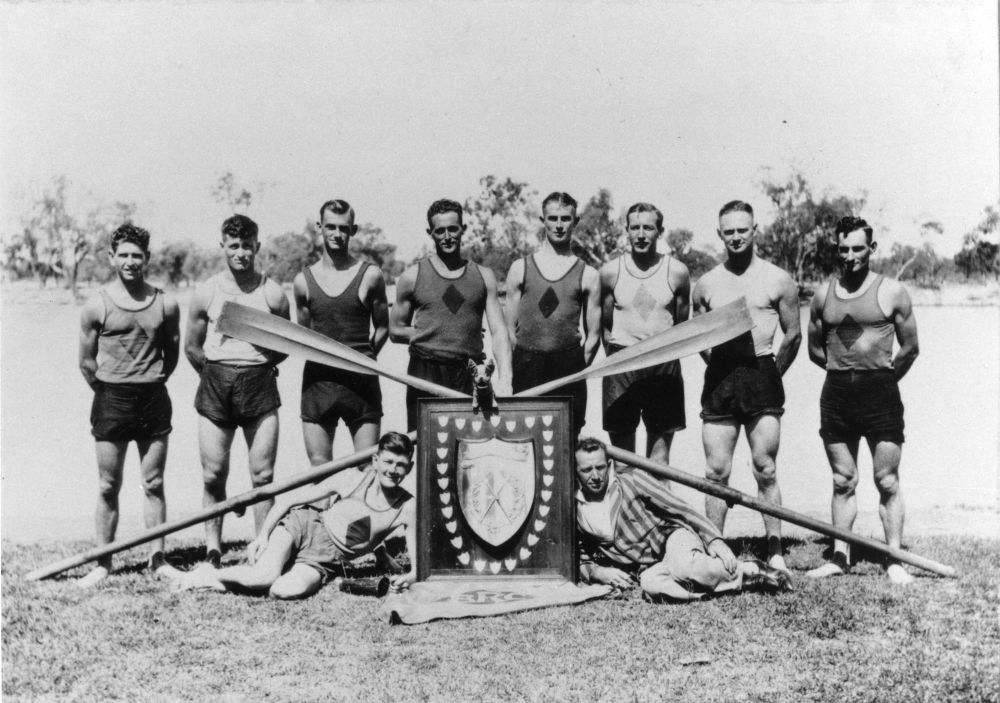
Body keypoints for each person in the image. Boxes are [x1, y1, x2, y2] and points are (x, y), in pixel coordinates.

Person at [805, 217, 919, 584]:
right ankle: (840, 556)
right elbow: (814, 350)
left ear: (872, 249)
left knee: (886, 479)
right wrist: (845, 372)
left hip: (881, 395)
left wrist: (881, 379)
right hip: (836, 394)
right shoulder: (823, 295)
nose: (850, 256)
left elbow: (910, 348)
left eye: (858, 248)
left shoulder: (893, 292)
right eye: (844, 249)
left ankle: (894, 558)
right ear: (836, 250)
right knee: (843, 480)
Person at [172, 432, 417, 598]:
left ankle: (222, 580)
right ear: (375, 461)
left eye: (400, 464)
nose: (393, 470)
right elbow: (291, 500)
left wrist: (409, 577)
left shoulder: (407, 506)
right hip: (304, 525)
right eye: (388, 462)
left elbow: (416, 566)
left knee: (283, 590)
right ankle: (207, 575)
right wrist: (263, 536)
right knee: (263, 577)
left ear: (410, 467)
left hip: (325, 560)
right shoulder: (352, 479)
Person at [691, 200, 801, 572]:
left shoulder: (778, 278)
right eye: (729, 231)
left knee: (765, 467)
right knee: (715, 471)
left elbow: (794, 335)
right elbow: (698, 339)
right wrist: (720, 367)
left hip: (762, 374)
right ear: (720, 234)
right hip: (720, 378)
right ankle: (714, 548)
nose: (736, 237)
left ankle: (775, 549)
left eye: (743, 230)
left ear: (755, 230)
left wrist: (770, 375)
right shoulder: (706, 283)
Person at [77, 224, 180, 587]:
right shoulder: (97, 304)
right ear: (111, 258)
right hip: (111, 399)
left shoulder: (165, 302)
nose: (130, 261)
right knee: (108, 485)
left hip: (152, 398)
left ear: (147, 258)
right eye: (123, 254)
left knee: (153, 482)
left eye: (137, 255)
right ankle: (103, 563)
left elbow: (172, 355)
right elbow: (87, 363)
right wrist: (110, 391)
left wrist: (148, 381)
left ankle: (158, 559)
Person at [185, 214, 291, 566]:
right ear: (223, 247)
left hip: (259, 386)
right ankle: (213, 548)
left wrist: (255, 366)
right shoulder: (207, 291)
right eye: (234, 246)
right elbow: (192, 347)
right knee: (213, 474)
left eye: (248, 246)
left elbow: (286, 344)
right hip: (216, 385)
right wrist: (219, 373)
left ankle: (261, 545)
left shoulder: (272, 293)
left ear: (257, 246)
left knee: (262, 475)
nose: (241, 253)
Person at [574, 437, 791, 601]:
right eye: (586, 470)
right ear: (575, 472)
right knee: (651, 586)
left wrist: (715, 540)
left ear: (609, 465)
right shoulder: (575, 509)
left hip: (673, 538)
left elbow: (682, 509)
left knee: (684, 566)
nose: (595, 475)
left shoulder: (631, 479)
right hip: (648, 568)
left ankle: (751, 572)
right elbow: (580, 557)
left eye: (600, 467)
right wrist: (597, 572)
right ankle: (706, 591)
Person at [390, 199, 512, 431]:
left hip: (470, 372)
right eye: (440, 231)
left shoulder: (483, 276)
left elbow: (499, 331)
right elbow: (395, 331)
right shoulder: (412, 276)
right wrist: (439, 331)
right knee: (426, 446)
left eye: (453, 229)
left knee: (471, 445)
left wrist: (505, 378)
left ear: (463, 229)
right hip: (425, 370)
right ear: (431, 233)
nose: (447, 236)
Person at [293, 199, 388, 466]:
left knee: (366, 469)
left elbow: (383, 327)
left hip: (361, 384)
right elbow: (304, 335)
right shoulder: (303, 282)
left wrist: (364, 358)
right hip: (318, 384)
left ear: (353, 230)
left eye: (343, 228)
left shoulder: (370, 275)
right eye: (331, 227)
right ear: (319, 227)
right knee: (319, 470)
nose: (337, 234)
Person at [600, 202, 690, 465]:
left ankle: (657, 506)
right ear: (626, 231)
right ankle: (628, 506)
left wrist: (662, 354)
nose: (641, 234)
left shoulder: (677, 272)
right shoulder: (610, 272)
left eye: (648, 228)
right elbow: (606, 328)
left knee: (659, 463)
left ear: (659, 231)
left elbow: (682, 325)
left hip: (663, 365)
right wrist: (621, 360)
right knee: (624, 461)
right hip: (622, 364)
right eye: (635, 227)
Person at [505, 192, 600, 436]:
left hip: (568, 366)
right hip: (528, 365)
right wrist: (521, 363)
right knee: (524, 438)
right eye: (553, 218)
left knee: (567, 440)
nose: (559, 225)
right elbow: (508, 330)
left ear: (575, 221)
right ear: (543, 220)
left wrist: (576, 369)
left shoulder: (588, 274)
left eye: (566, 219)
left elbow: (594, 336)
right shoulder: (520, 268)